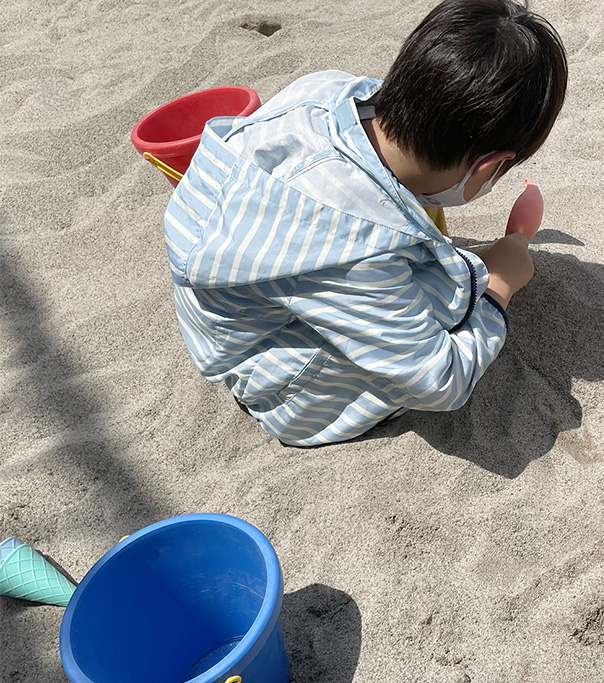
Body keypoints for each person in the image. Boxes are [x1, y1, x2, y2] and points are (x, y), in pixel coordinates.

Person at [162, 0, 568, 446]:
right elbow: (440, 380)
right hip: (288, 393)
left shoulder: (325, 90)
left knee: (414, 220)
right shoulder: (359, 247)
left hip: (234, 319)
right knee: (456, 300)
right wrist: (498, 285)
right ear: (489, 164)